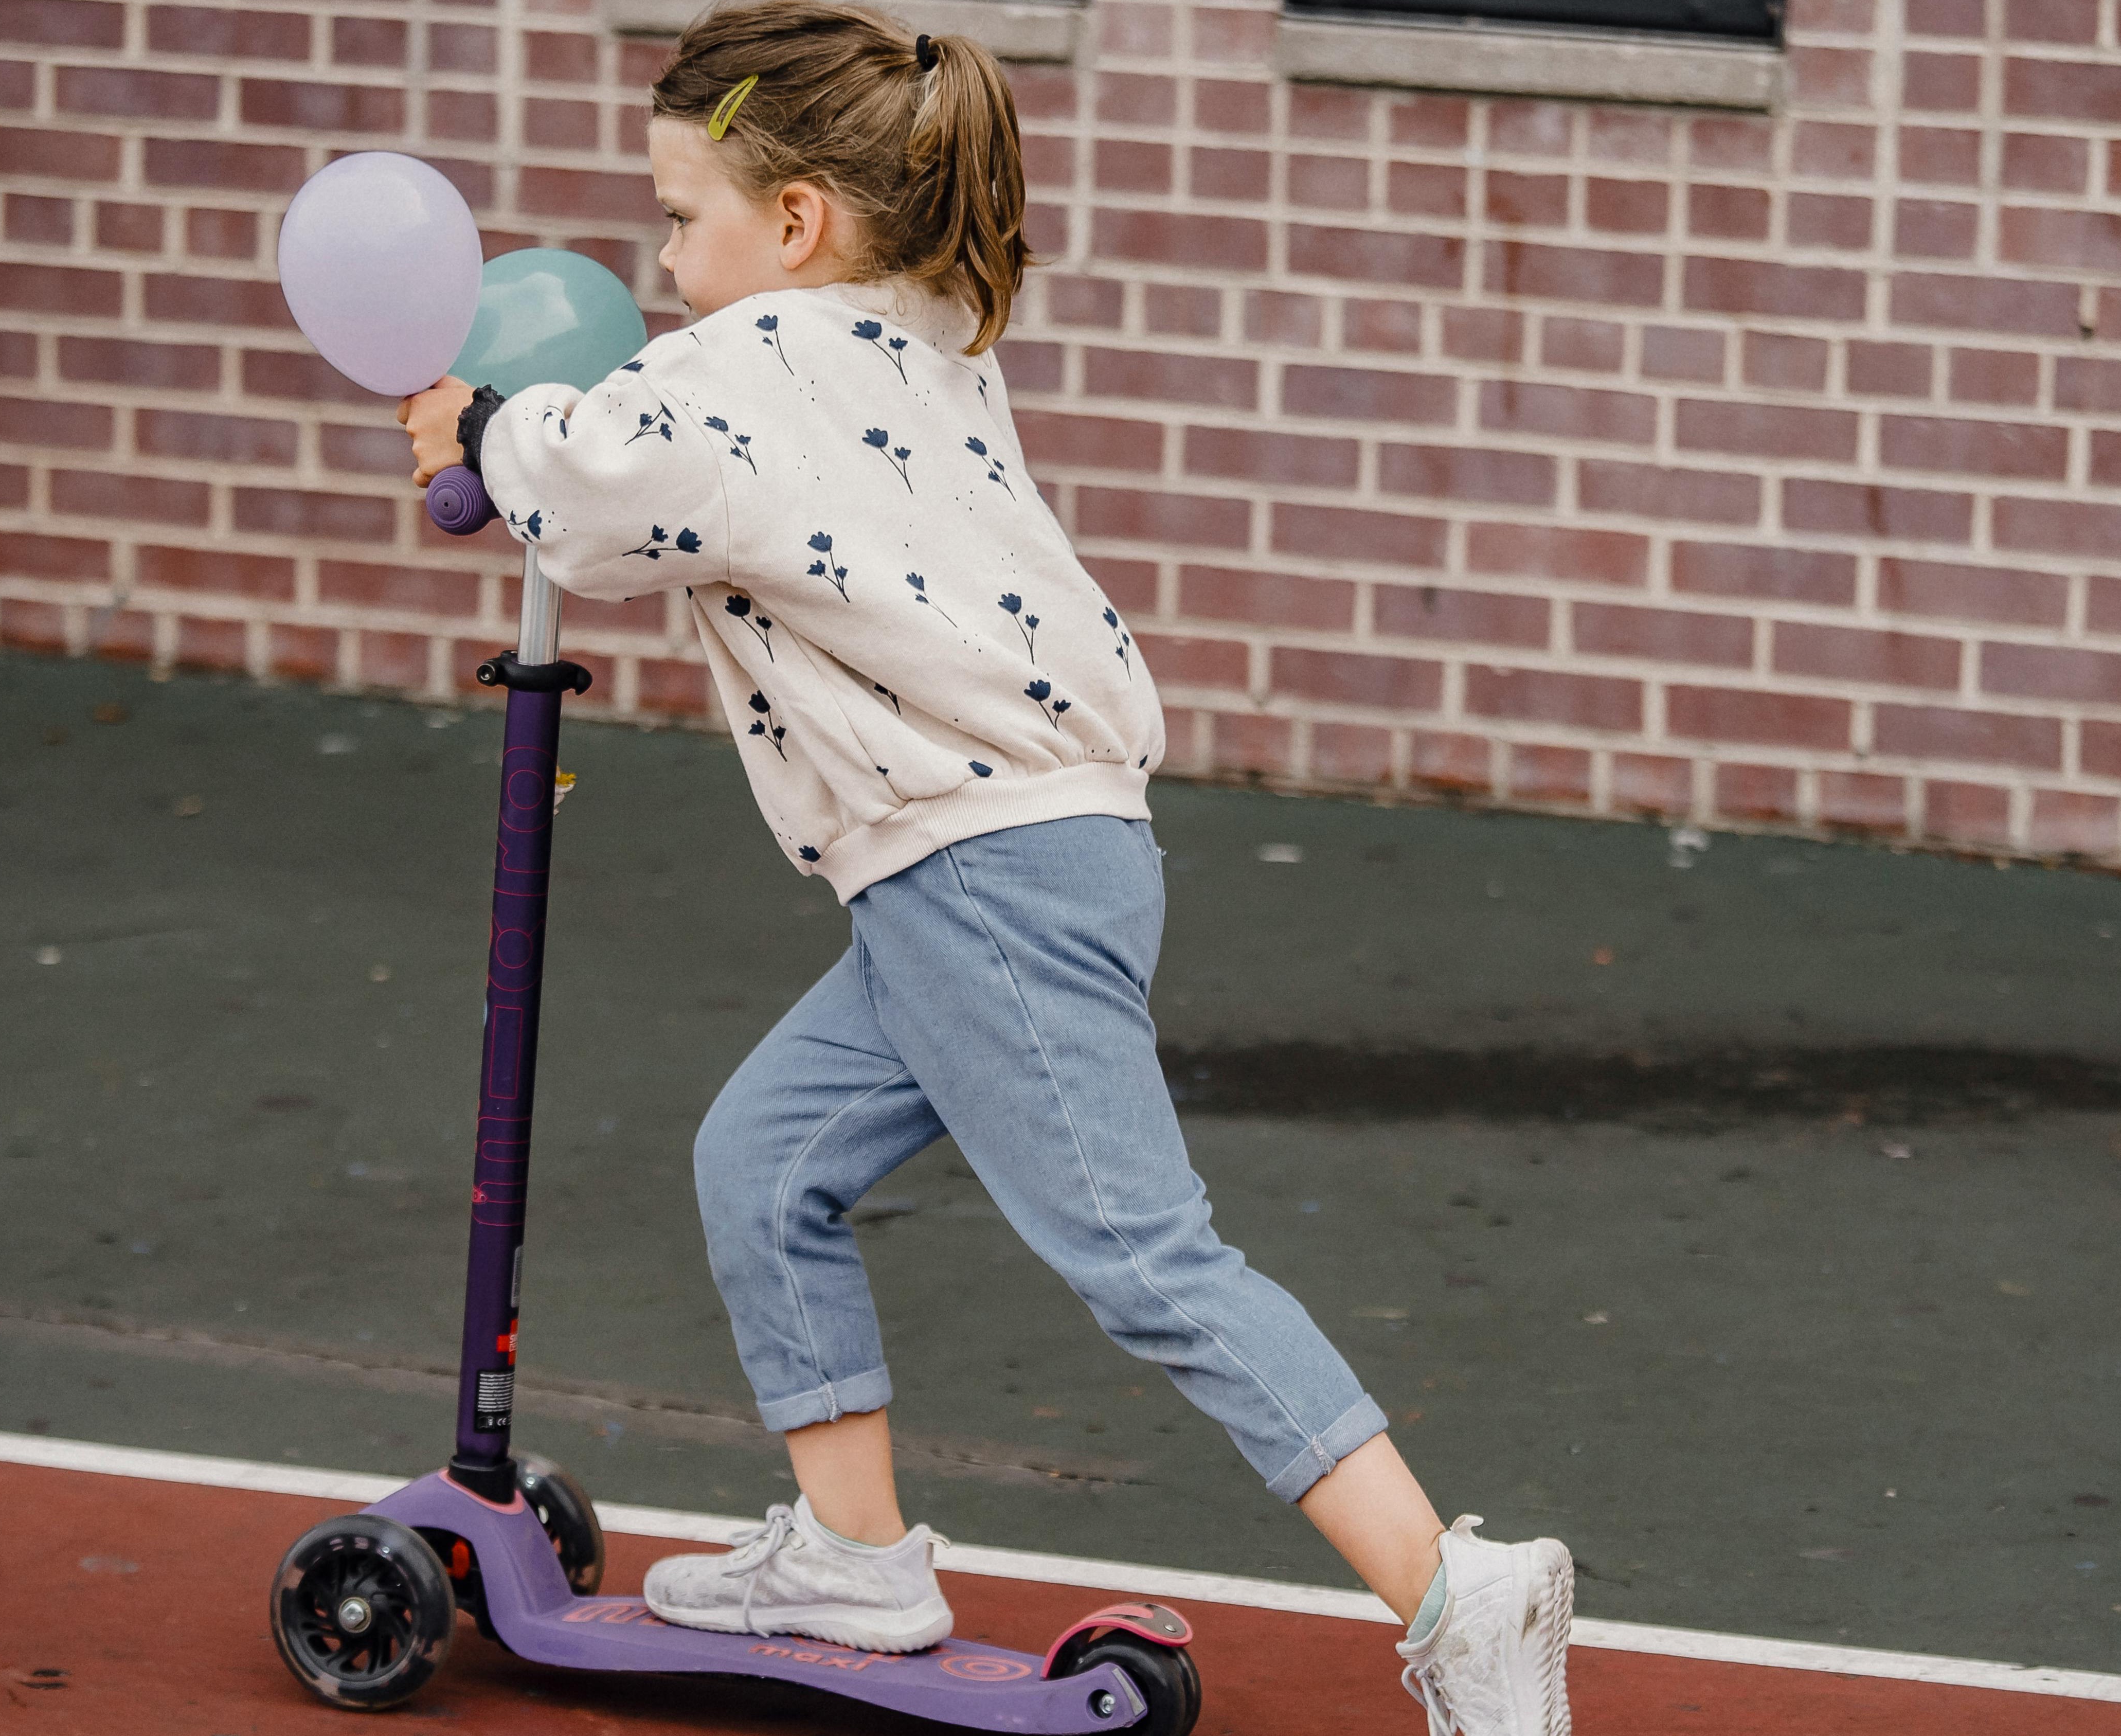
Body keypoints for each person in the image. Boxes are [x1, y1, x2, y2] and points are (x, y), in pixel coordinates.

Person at [398, 4, 1572, 1728]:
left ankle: (1450, 1586)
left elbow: (594, 492)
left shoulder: (747, 369)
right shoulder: (918, 336)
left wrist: (474, 429)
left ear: (794, 225)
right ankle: (854, 1553)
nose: (657, 255)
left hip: (984, 877)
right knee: (763, 1165)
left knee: (1144, 1256)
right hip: (1019, 858)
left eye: (675, 216)